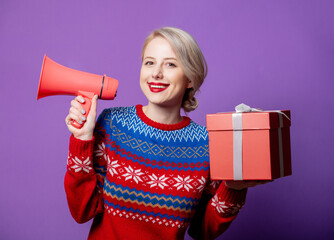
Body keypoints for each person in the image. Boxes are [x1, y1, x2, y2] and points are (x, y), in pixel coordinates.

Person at [64, 27, 258, 240]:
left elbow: (203, 231)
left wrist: (234, 189)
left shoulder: (207, 145)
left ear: (190, 79)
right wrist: (82, 139)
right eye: (149, 62)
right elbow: (82, 212)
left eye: (170, 64)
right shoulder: (112, 124)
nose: (156, 73)